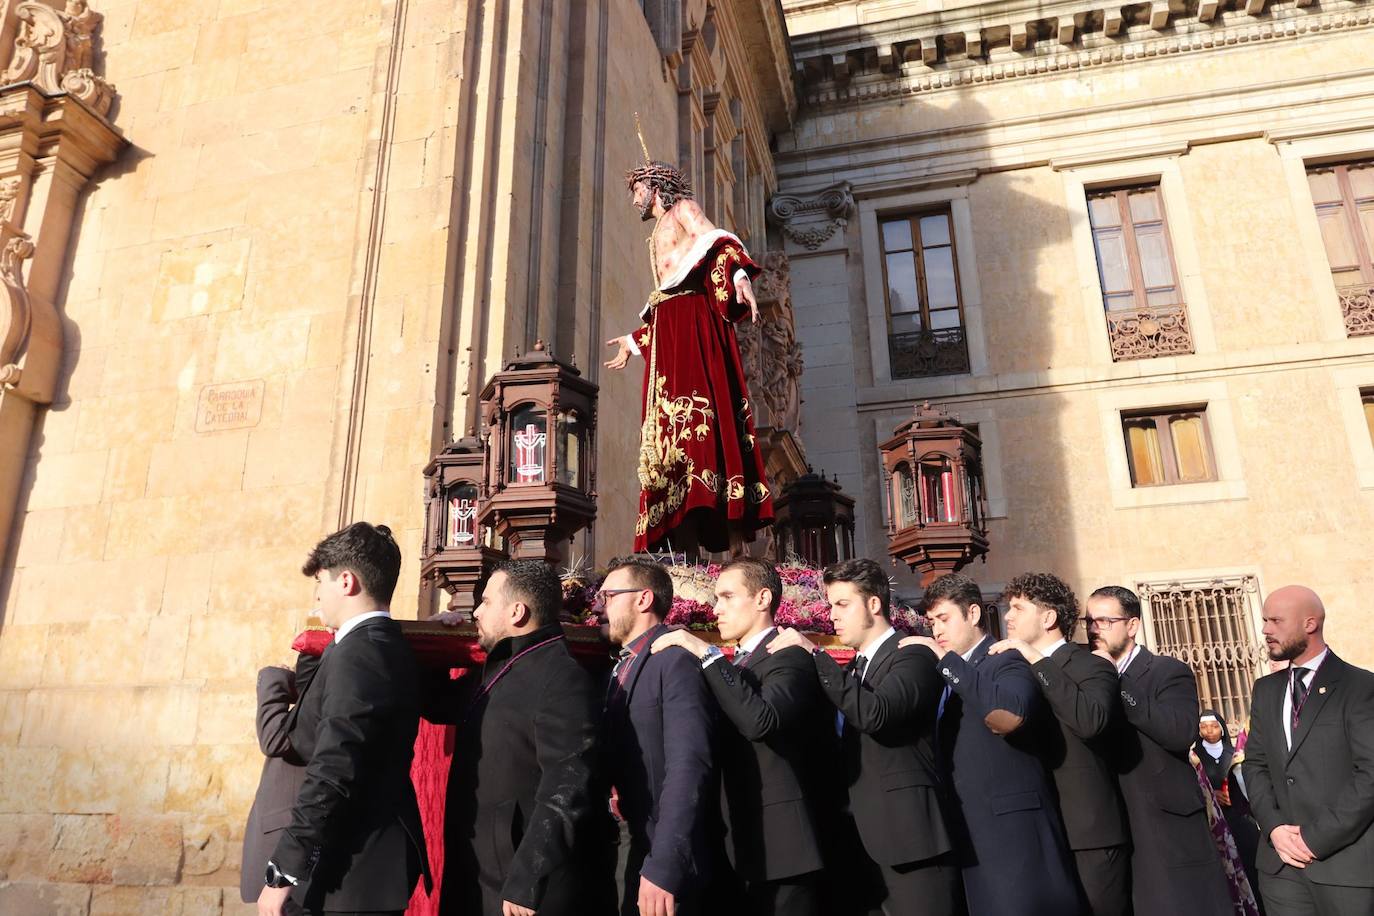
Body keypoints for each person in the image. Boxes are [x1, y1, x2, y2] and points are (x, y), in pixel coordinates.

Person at [603, 146, 773, 555]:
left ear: (655, 185)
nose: (634, 200)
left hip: (694, 326)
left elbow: (716, 240)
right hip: (672, 331)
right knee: (666, 442)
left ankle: (731, 541)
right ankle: (680, 540)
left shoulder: (682, 209)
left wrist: (738, 277)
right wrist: (634, 341)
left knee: (703, 425)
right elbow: (666, 300)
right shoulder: (657, 229)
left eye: (637, 189)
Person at [771, 558, 963, 916]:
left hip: (912, 841)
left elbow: (877, 714)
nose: (832, 615)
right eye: (830, 605)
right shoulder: (855, 668)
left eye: (842, 604)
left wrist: (815, 654)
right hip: (858, 844)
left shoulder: (913, 654)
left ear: (874, 604)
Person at [258, 523, 429, 916]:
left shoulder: (360, 653)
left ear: (347, 582)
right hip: (363, 871)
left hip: (352, 872)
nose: (317, 595)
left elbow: (334, 765)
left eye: (321, 581)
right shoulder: (378, 644)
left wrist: (284, 869)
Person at [650, 557, 833, 916]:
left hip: (782, 850)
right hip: (738, 841)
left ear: (763, 598)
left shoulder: (789, 655)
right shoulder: (739, 663)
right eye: (716, 598)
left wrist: (705, 650)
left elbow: (761, 721)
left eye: (728, 597)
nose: (716, 608)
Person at [424, 561, 603, 916]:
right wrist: (430, 641)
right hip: (478, 872)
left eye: (487, 602)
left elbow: (568, 787)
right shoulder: (500, 666)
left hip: (517, 889)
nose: (475, 611)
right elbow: (438, 705)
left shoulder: (561, 677)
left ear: (517, 611)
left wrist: (528, 878)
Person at [902, 573, 1080, 916]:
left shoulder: (1006, 658)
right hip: (968, 829)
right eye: (931, 622)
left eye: (944, 619)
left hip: (1012, 832)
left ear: (972, 614)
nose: (936, 630)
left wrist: (944, 661)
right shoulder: (948, 673)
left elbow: (1011, 713)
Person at [989, 573, 1131, 916]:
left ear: (1048, 617)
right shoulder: (1010, 668)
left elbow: (1089, 721)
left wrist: (1036, 660)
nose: (1007, 616)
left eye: (1018, 608)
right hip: (1035, 829)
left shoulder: (1092, 663)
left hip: (1088, 833)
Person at [1085, 584, 1231, 915]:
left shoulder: (1167, 671)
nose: (1094, 629)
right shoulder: (1086, 674)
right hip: (1110, 823)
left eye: (1104, 621)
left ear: (1132, 625)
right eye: (1089, 621)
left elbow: (1179, 733)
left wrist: (1116, 681)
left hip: (1165, 827)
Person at [1243, 585, 1374, 916]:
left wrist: (1314, 839)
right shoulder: (1266, 690)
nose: (1265, 630)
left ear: (1310, 623)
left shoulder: (1360, 687)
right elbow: (1254, 765)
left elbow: (1370, 774)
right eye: (1264, 620)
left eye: (1275, 620)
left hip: (1344, 866)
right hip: (1280, 868)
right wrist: (1273, 827)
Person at [599, 556, 718, 916]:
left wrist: (665, 864)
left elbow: (688, 764)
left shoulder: (674, 658)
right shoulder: (622, 661)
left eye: (608, 595)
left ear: (643, 599)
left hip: (658, 856)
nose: (597, 605)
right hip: (625, 844)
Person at [241, 646, 323, 907]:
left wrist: (275, 677)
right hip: (284, 849)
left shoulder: (322, 705)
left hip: (290, 855)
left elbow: (272, 738)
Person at [1195, 710, 1264, 914]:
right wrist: (1211, 795)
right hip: (1212, 823)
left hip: (1239, 819)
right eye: (1204, 727)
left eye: (1214, 726)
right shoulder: (1194, 757)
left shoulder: (1234, 753)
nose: (1209, 731)